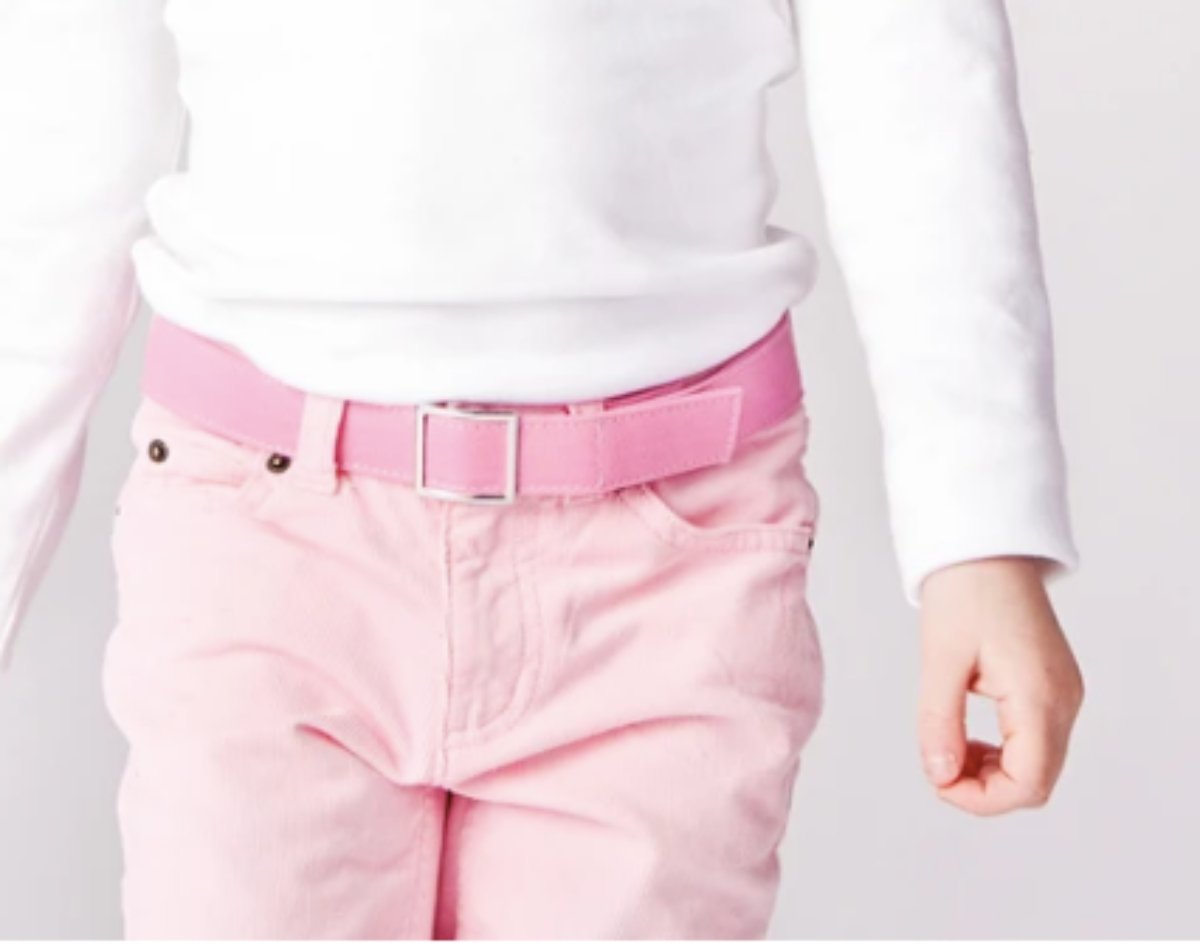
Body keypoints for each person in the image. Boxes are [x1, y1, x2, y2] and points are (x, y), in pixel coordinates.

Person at [0, 0, 1084, 939]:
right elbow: (59, 140)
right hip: (262, 547)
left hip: (664, 571)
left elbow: (914, 73)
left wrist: (982, 531)